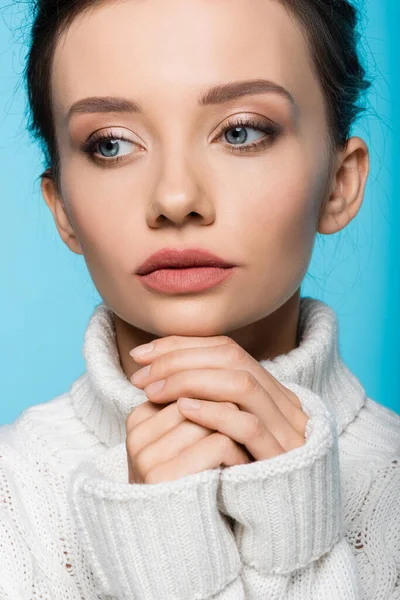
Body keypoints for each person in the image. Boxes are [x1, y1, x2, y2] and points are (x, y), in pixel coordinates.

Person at [1, 0, 399, 597]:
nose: (177, 196)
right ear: (63, 211)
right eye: (110, 144)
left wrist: (300, 537)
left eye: (241, 132)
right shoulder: (14, 495)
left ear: (340, 183)